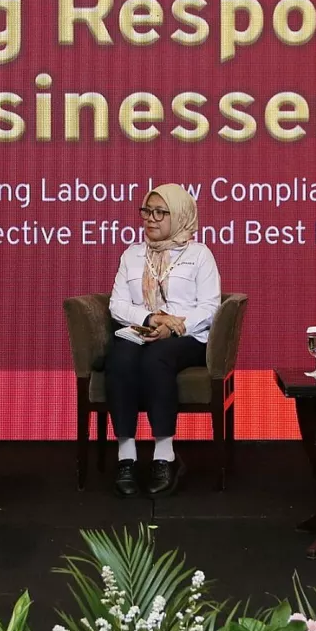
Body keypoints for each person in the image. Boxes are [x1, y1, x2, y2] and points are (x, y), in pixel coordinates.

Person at [106, 184, 221, 498]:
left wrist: (175, 326)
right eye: (147, 211)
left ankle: (164, 456)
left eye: (160, 212)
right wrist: (150, 320)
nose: (151, 219)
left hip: (187, 337)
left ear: (180, 215)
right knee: (119, 358)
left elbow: (211, 307)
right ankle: (126, 457)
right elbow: (117, 305)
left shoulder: (199, 255)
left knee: (157, 358)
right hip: (141, 331)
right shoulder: (132, 255)